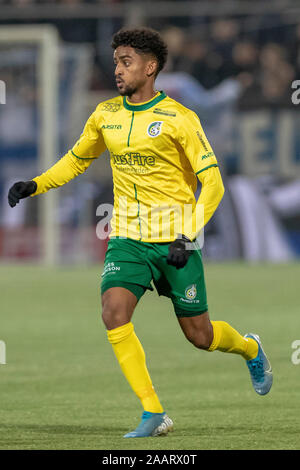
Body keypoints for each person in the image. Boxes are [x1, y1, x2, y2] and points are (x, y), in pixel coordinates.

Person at [8, 27, 273, 439]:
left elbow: (214, 182)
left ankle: (250, 348)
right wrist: (36, 184)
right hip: (128, 238)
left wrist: (187, 234)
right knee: (113, 313)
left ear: (150, 68)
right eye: (115, 61)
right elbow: (77, 160)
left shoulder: (180, 119)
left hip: (175, 241)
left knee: (200, 337)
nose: (117, 69)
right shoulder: (105, 115)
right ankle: (153, 413)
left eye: (126, 61)